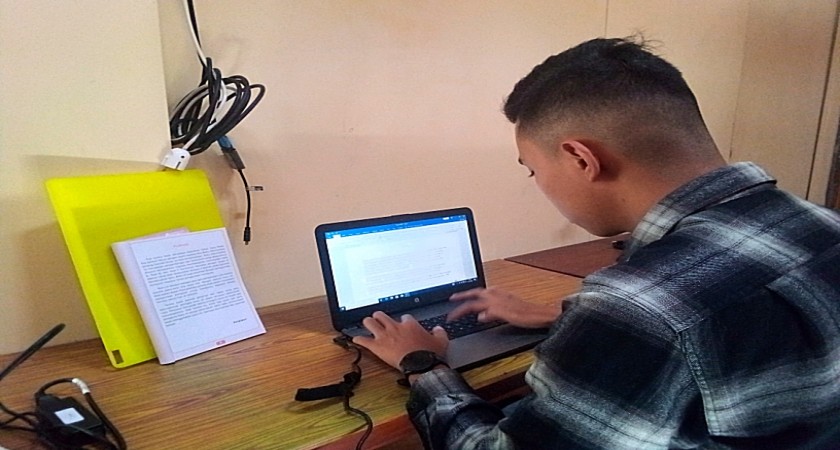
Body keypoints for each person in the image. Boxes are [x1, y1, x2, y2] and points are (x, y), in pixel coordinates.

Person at [352, 36, 840, 449]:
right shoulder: (823, 223)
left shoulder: (635, 306)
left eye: (532, 169)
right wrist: (561, 315)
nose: (537, 184)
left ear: (581, 159)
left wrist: (423, 365)